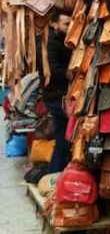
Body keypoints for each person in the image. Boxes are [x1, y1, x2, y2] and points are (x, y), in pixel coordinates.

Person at [39, 10, 72, 173]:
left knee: (63, 138)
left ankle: (56, 174)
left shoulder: (63, 41)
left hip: (58, 95)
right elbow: (52, 72)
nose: (70, 26)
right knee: (64, 138)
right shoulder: (52, 42)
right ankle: (56, 174)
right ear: (54, 24)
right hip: (56, 96)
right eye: (66, 23)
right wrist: (72, 72)